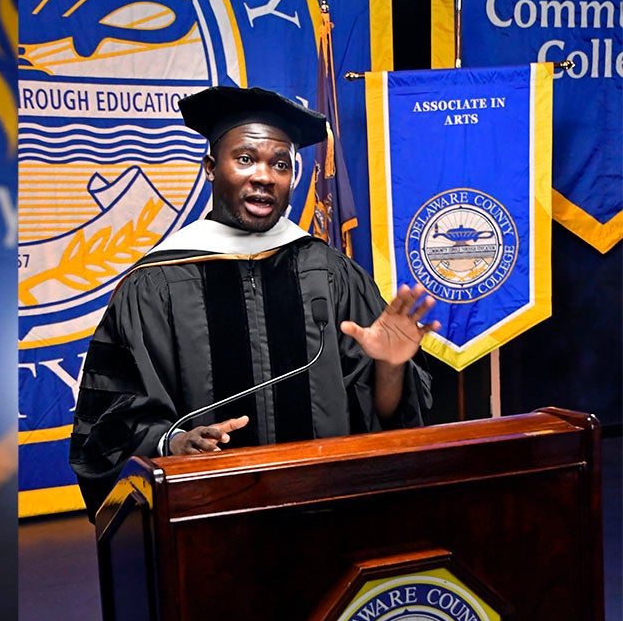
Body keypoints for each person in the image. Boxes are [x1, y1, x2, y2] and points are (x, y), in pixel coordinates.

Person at [69, 85, 438, 517]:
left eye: (280, 164)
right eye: (245, 159)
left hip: (325, 515)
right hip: (208, 524)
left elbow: (385, 421)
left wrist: (391, 367)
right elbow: (108, 424)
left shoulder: (330, 273)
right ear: (210, 167)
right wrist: (171, 443)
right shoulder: (155, 284)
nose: (264, 175)